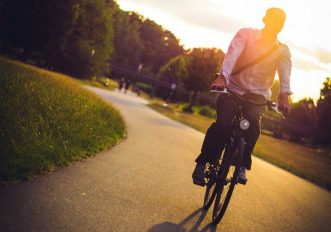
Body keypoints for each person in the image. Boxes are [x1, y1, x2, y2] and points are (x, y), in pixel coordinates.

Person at [192, 7, 292, 186]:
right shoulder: (246, 35)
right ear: (265, 19)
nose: (277, 24)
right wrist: (223, 77)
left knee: (252, 127)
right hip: (233, 89)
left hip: (258, 95)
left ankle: (240, 165)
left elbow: (285, 72)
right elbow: (232, 55)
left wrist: (284, 94)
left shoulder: (282, 50)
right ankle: (203, 163)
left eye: (281, 22)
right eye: (274, 19)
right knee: (223, 124)